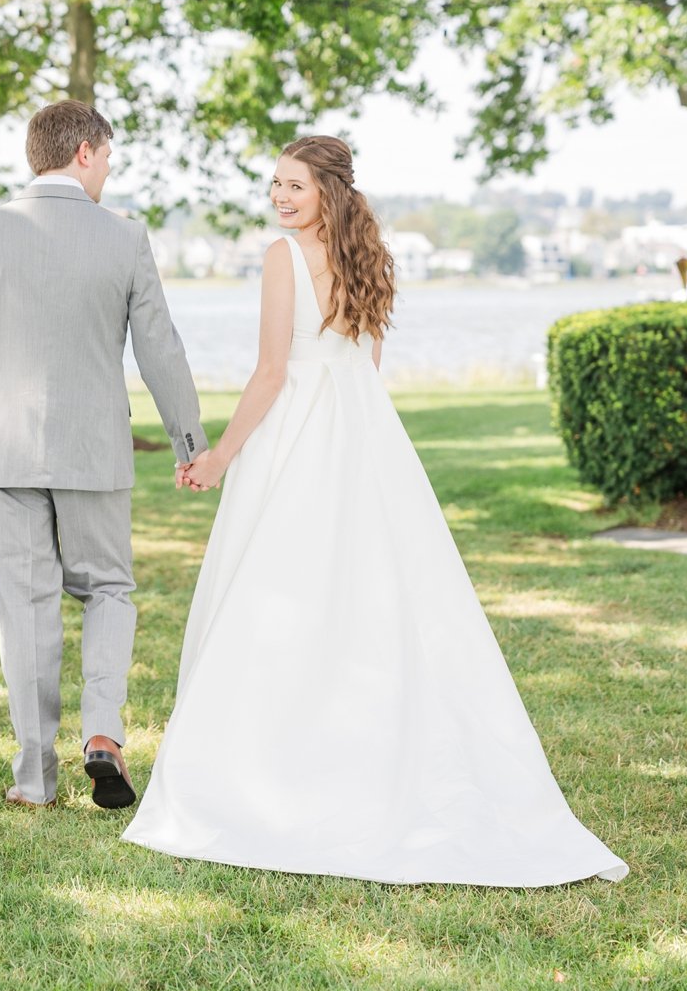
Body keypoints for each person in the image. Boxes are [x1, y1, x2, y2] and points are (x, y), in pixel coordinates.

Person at [122, 135, 628, 886]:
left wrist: (220, 457)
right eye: (274, 185)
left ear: (327, 188)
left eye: (294, 185)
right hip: (362, 434)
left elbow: (269, 372)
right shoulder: (369, 254)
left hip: (297, 436)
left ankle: (274, 768)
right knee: (365, 593)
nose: (280, 197)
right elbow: (368, 365)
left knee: (275, 592)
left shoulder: (280, 258)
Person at [0, 100, 208, 811]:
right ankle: (102, 733)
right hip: (94, 449)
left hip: (3, 453)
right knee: (108, 588)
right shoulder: (125, 239)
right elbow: (162, 350)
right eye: (109, 159)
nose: (107, 173)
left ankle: (35, 779)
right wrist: (190, 445)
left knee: (27, 606)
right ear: (87, 153)